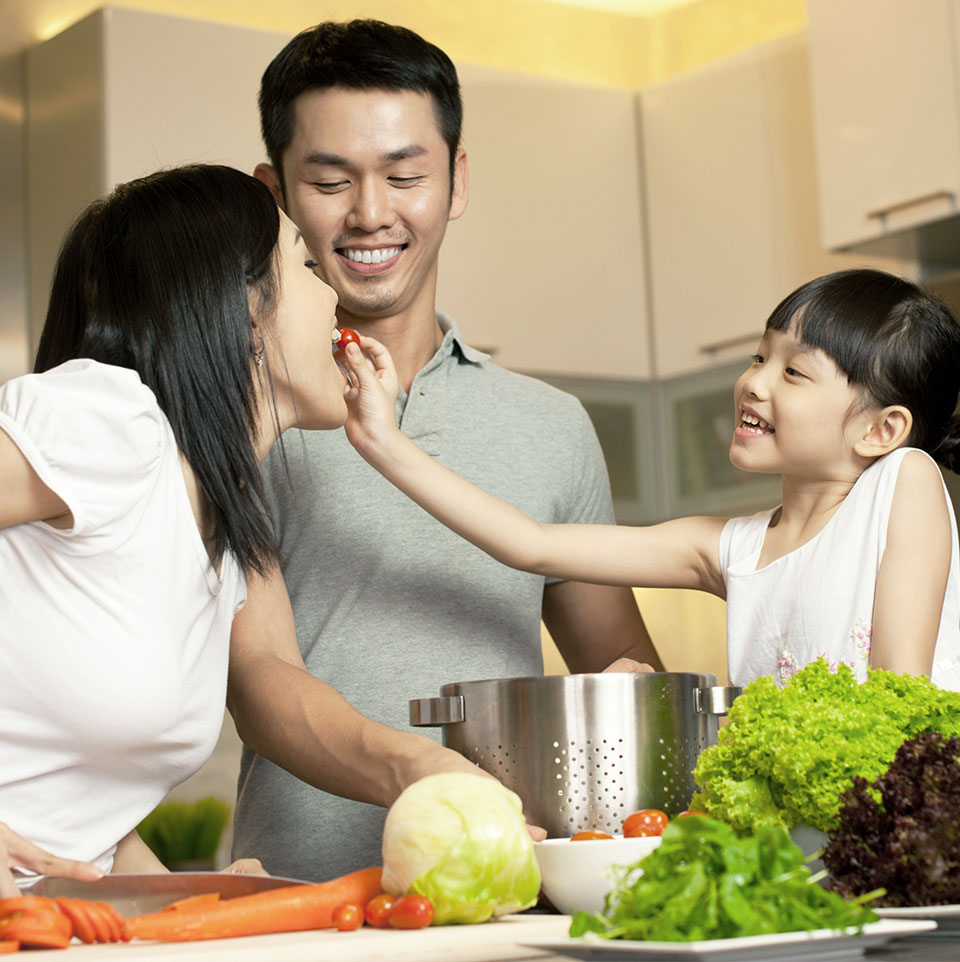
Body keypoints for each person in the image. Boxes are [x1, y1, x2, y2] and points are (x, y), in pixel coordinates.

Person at [228, 19, 661, 881]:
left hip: (515, 889)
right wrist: (424, 774)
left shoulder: (551, 426)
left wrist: (632, 697)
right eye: (328, 180)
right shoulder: (241, 417)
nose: (371, 214)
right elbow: (259, 680)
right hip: (300, 900)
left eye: (404, 175)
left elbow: (619, 664)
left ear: (456, 180)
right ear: (273, 192)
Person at [340, 268, 960, 693]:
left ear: (882, 431)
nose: (755, 382)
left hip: (897, 835)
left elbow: (898, 698)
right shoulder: (734, 549)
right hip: (799, 848)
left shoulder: (905, 480)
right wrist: (384, 443)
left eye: (794, 373)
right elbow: (529, 544)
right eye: (759, 356)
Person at [0, 163, 349, 896]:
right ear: (247, 313)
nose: (335, 292)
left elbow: (82, 837)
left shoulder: (214, 543)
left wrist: (214, 903)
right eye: (308, 265)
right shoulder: (112, 425)